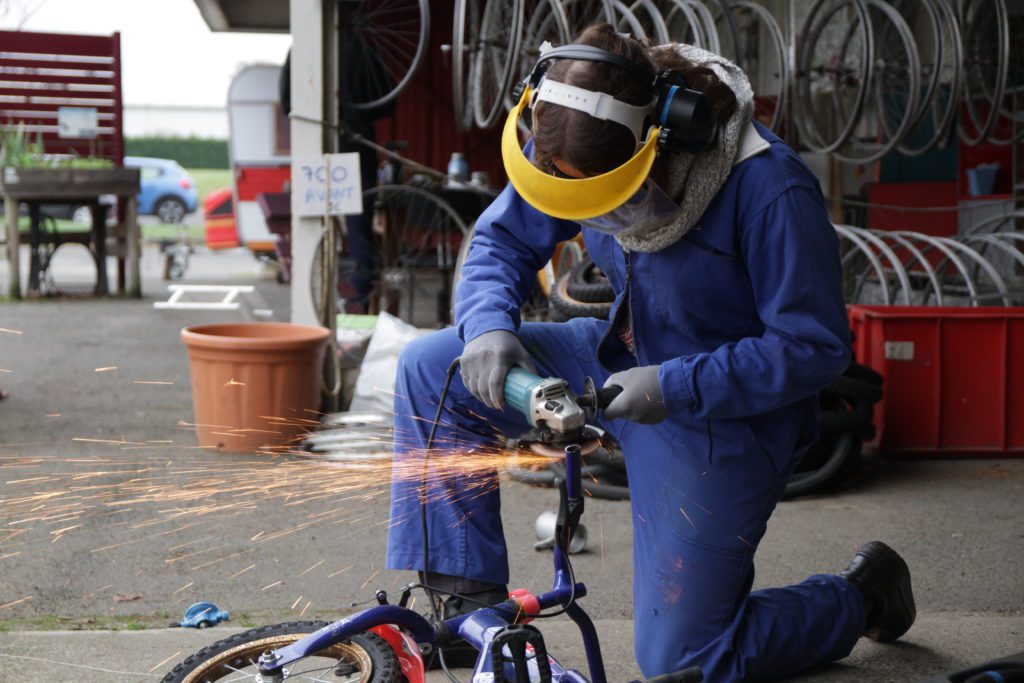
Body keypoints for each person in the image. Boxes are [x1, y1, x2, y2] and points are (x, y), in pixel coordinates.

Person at [386, 24, 915, 681]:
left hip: (722, 412)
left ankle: (860, 596)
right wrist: (488, 325)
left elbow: (812, 347)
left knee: (683, 658)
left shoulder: (770, 189)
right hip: (619, 364)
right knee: (432, 370)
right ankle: (468, 614)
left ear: (656, 142)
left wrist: (674, 386)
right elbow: (503, 239)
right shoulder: (571, 138)